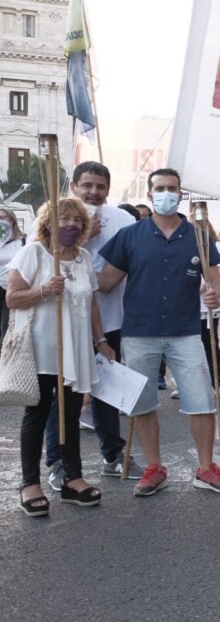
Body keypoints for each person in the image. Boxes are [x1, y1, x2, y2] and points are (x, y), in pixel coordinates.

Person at [97, 168, 220, 497]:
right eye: (160, 188)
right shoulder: (131, 235)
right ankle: (155, 467)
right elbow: (104, 283)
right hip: (139, 331)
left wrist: (214, 290)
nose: (167, 194)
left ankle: (205, 468)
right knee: (142, 404)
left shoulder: (198, 236)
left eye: (172, 188)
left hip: (186, 331)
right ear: (149, 194)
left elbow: (215, 277)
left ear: (181, 195)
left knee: (202, 401)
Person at [6, 198, 116, 516]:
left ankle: (73, 477)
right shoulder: (34, 253)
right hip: (41, 349)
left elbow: (92, 304)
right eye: (64, 218)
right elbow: (12, 298)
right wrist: (43, 290)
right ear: (48, 223)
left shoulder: (82, 257)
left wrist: (101, 341)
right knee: (37, 415)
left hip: (75, 350)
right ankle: (30, 483)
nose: (72, 225)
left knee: (70, 415)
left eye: (77, 220)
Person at [44, 162, 142, 489]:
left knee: (106, 390)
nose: (93, 192)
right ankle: (57, 462)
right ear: (73, 185)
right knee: (62, 393)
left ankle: (113, 455)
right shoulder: (57, 213)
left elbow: (133, 260)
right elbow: (45, 258)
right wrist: (84, 234)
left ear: (108, 189)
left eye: (100, 186)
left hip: (108, 318)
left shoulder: (124, 219)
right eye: (87, 185)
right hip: (62, 321)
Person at [191, 207, 220, 397]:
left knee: (209, 342)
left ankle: (219, 381)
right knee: (190, 344)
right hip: (188, 304)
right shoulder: (188, 243)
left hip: (207, 304)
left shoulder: (216, 245)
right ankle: (195, 383)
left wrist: (198, 288)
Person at [1, 206, 26, 351]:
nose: (1, 221)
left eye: (4, 218)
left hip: (12, 289)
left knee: (7, 327)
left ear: (12, 220)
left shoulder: (22, 241)